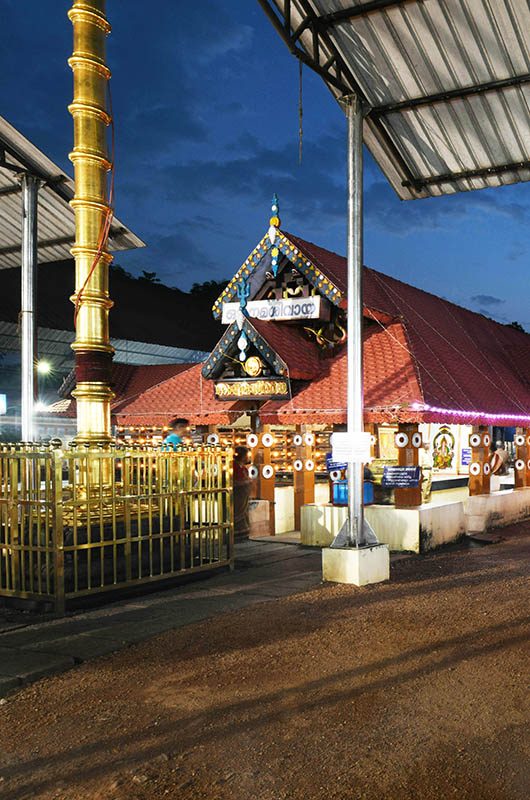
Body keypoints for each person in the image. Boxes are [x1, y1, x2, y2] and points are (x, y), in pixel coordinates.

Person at [233, 445, 252, 540]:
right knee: (236, 514)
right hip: (237, 497)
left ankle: (243, 534)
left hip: (243, 498)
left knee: (243, 514)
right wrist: (246, 482)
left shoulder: (243, 468)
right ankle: (236, 535)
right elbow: (234, 482)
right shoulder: (234, 467)